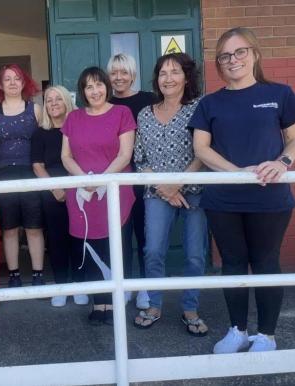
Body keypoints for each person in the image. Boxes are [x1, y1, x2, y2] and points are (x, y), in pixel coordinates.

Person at [189, 27, 295, 353]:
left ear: (254, 54)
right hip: (223, 197)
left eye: (240, 52)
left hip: (270, 196)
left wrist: (282, 161)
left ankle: (266, 335)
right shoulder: (210, 103)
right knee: (233, 263)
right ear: (219, 63)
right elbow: (202, 148)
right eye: (225, 55)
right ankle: (238, 330)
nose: (233, 60)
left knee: (266, 262)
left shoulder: (280, 94)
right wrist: (236, 173)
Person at [132, 53, 208, 336]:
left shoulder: (199, 107)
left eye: (175, 72)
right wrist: (164, 188)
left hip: (194, 192)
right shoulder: (145, 113)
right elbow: (140, 158)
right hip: (157, 193)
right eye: (163, 73)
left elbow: (204, 151)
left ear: (186, 77)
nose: (168, 78)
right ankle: (153, 305)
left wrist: (179, 183)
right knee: (153, 250)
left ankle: (190, 308)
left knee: (194, 255)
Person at [61, 67, 136, 326]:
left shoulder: (121, 113)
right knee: (89, 246)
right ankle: (99, 302)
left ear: (106, 86)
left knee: (114, 247)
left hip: (114, 191)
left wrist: (101, 179)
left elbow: (125, 155)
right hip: (83, 193)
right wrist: (86, 180)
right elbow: (65, 156)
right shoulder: (73, 118)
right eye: (88, 87)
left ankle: (114, 300)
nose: (95, 91)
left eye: (99, 85)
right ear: (83, 92)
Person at [32, 85, 88, 307]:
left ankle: (79, 285)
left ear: (67, 102)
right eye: (48, 100)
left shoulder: (78, 129)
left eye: (58, 99)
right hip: (52, 192)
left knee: (78, 238)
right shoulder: (40, 133)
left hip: (79, 191)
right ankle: (61, 286)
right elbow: (37, 166)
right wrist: (55, 188)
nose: (53, 103)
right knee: (56, 241)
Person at [107, 53, 155, 309]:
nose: (119, 78)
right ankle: (122, 284)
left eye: (123, 72)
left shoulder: (148, 100)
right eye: (114, 73)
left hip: (144, 176)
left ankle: (146, 286)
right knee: (120, 235)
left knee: (145, 234)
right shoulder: (106, 103)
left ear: (132, 74)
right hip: (117, 178)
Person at [0, 64, 46, 288]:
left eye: (17, 79)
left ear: (23, 83)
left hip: (30, 173)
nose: (12, 82)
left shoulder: (36, 109)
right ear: (1, 85)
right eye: (7, 79)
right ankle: (14, 275)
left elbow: (46, 141)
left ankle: (38, 275)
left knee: (34, 227)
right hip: (3, 175)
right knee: (9, 229)